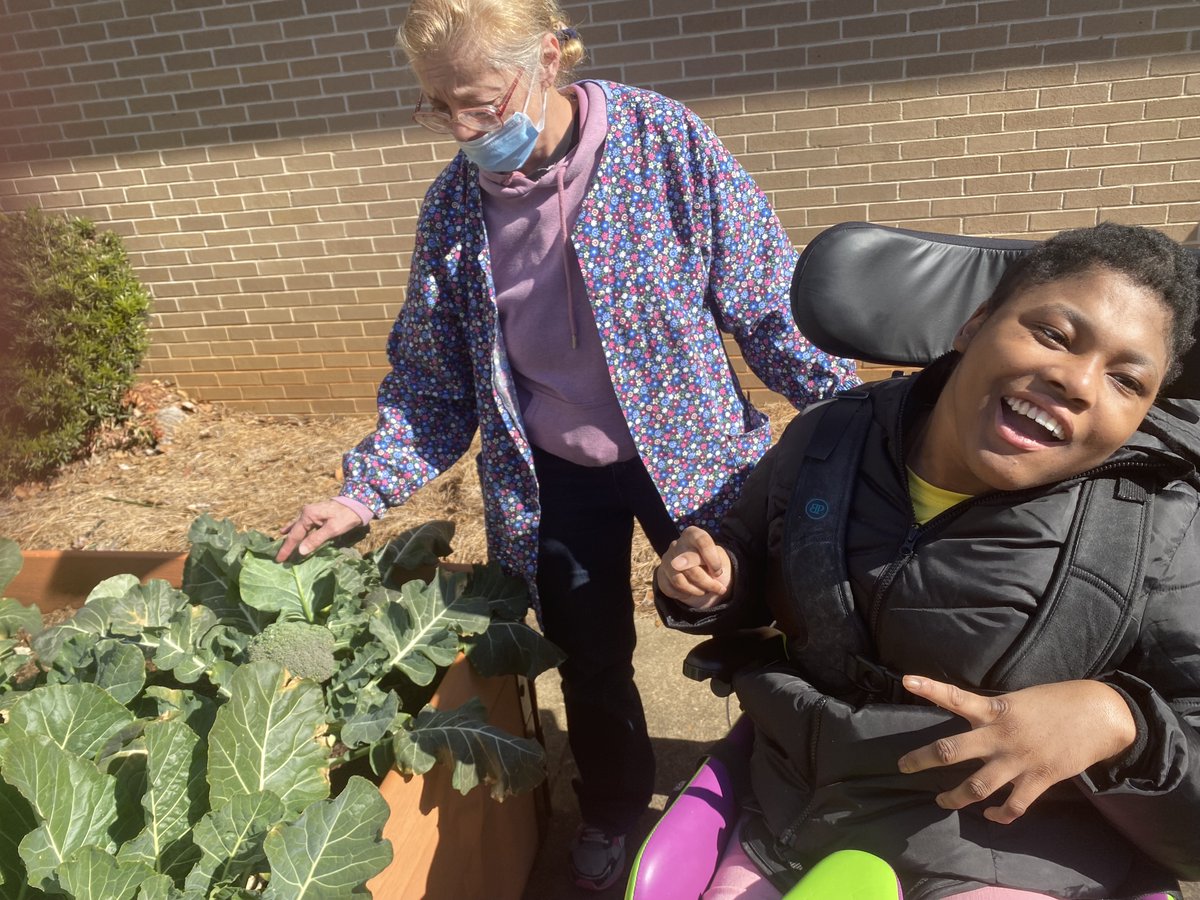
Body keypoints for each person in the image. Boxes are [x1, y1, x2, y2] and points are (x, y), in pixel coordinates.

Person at [274, 0, 858, 890]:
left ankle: (789, 795)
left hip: (695, 462)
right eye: (439, 106)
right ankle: (616, 810)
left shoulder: (661, 140)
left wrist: (851, 417)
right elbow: (434, 383)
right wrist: (362, 492)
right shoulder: (454, 210)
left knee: (765, 624)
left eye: (480, 102)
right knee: (589, 658)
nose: (463, 129)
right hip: (552, 479)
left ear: (548, 57)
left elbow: (766, 298)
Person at [654, 223, 1200, 899]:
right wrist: (713, 583)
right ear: (973, 326)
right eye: (1054, 334)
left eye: (1126, 378)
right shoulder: (830, 438)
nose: (1078, 381)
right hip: (800, 814)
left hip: (1014, 846)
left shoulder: (1162, 526)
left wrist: (1122, 723)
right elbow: (746, 558)